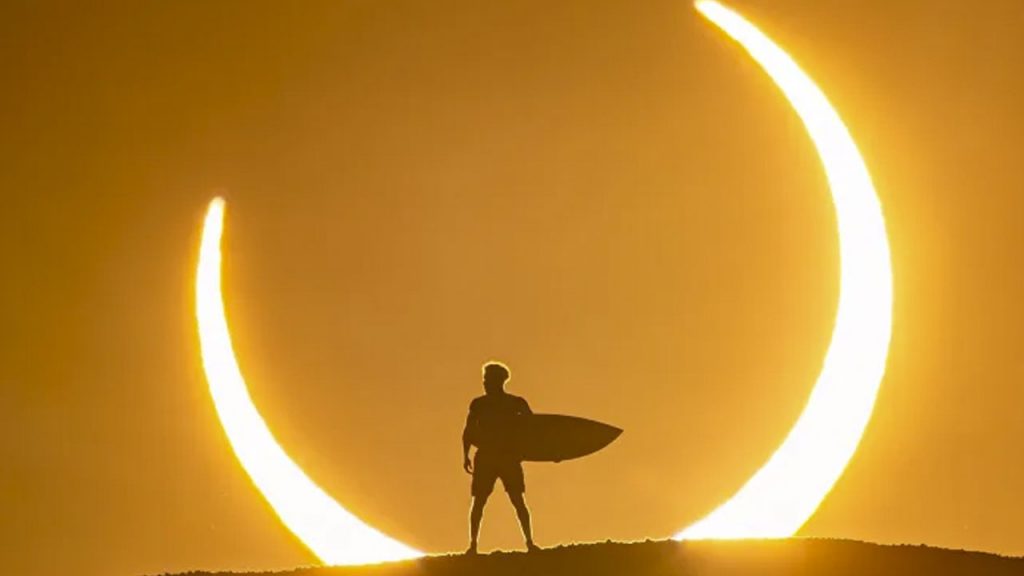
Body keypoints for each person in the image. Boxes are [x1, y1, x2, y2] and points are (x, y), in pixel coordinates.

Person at [462, 361, 539, 555]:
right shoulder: (478, 404)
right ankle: (473, 545)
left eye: (488, 379)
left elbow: (535, 430)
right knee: (478, 502)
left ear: (499, 381)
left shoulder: (516, 403)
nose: (485, 383)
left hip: (508, 457)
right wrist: (465, 455)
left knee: (518, 500)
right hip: (486, 457)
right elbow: (468, 431)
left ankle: (530, 542)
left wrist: (550, 451)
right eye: (485, 379)